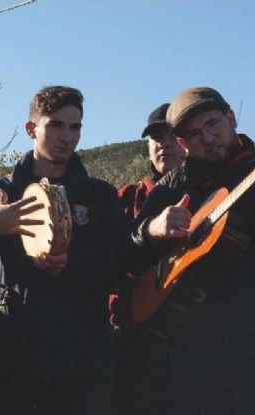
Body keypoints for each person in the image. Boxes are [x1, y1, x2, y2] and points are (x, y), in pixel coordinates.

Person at [0, 86, 129, 414]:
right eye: (55, 124)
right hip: (18, 357)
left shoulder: (99, 196)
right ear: (32, 129)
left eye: (75, 127)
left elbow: (118, 267)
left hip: (84, 359)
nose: (67, 136)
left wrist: (70, 263)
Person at [130, 87, 255, 415]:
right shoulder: (172, 185)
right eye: (194, 134)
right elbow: (126, 258)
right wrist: (152, 230)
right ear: (183, 144)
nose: (208, 137)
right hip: (185, 349)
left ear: (231, 118)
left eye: (213, 124)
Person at [111, 103, 185, 415]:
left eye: (171, 135)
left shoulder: (212, 194)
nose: (163, 143)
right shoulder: (126, 196)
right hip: (127, 334)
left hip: (186, 336)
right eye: (155, 136)